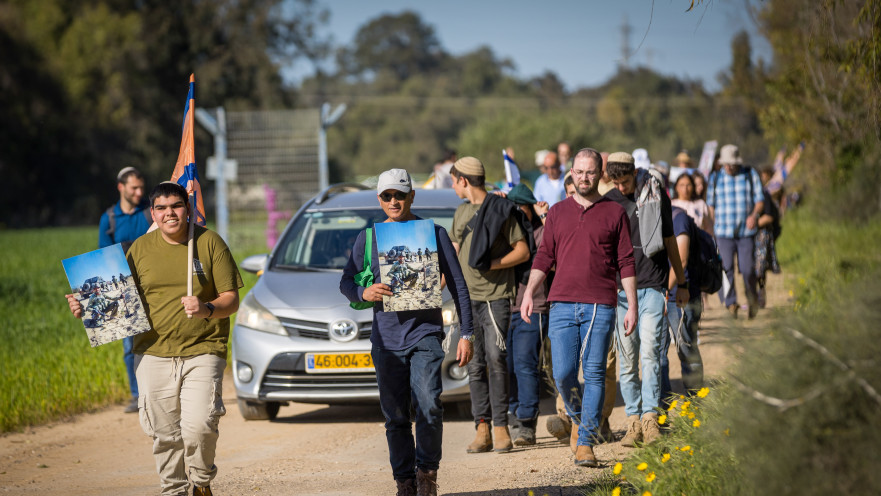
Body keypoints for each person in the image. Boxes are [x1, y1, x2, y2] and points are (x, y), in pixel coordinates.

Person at [66, 182, 243, 496]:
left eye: (175, 206)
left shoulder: (209, 242)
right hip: (151, 352)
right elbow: (116, 303)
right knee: (164, 434)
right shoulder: (139, 248)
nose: (169, 213)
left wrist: (206, 308)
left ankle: (201, 481)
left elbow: (231, 299)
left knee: (199, 426)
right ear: (153, 213)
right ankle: (173, 490)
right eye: (160, 208)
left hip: (203, 349)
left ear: (187, 208)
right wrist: (86, 306)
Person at [340, 168, 474, 496]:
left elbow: (458, 285)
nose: (394, 201)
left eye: (400, 195)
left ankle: (427, 474)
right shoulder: (368, 238)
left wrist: (467, 333)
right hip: (385, 341)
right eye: (387, 196)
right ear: (379, 199)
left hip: (425, 334)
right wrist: (363, 293)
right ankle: (405, 482)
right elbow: (346, 281)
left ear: (412, 196)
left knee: (429, 403)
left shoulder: (434, 234)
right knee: (395, 416)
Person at [521, 148, 638, 467]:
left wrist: (632, 306)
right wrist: (530, 291)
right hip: (561, 304)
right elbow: (544, 256)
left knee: (596, 372)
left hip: (601, 303)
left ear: (600, 174)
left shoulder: (614, 213)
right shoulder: (557, 212)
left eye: (590, 172)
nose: (584, 177)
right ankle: (577, 420)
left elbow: (626, 261)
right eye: (579, 171)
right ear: (571, 173)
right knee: (563, 374)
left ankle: (585, 442)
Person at [604, 151, 688, 448]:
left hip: (652, 285)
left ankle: (651, 418)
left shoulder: (656, 194)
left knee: (651, 354)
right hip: (620, 293)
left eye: (626, 181)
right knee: (627, 362)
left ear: (635, 173)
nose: (622, 187)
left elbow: (668, 239)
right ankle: (633, 421)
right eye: (616, 182)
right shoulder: (609, 202)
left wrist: (681, 280)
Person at [450, 156, 530, 454]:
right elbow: (455, 250)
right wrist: (436, 288)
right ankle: (481, 428)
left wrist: (492, 264)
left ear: (465, 181)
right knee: (474, 363)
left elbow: (522, 251)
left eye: (455, 180)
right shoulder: (460, 212)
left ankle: (500, 427)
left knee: (497, 361)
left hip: (496, 298)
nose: (454, 185)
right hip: (467, 299)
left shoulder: (500, 210)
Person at [495, 183, 549, 447]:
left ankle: (527, 424)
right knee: (509, 367)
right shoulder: (504, 235)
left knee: (526, 365)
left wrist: (543, 216)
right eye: (512, 207)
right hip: (505, 306)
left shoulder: (541, 233)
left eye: (521, 207)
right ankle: (516, 416)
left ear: (530, 207)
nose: (516, 212)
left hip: (534, 307)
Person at [98, 166, 152, 413]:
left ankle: (158, 393)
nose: (140, 192)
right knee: (130, 347)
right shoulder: (108, 219)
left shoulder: (150, 214)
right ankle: (137, 396)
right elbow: (103, 258)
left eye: (141, 187)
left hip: (152, 285)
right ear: (121, 187)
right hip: (122, 290)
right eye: (134, 188)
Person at [706, 144, 764, 319]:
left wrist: (754, 215)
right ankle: (731, 303)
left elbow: (760, 200)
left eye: (732, 163)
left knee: (747, 269)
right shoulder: (715, 178)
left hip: (745, 233)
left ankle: (752, 299)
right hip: (723, 232)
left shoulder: (749, 175)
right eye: (726, 163)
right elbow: (711, 205)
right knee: (726, 269)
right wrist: (712, 225)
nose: (729, 166)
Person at [660, 206, 706, 401]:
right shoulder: (644, 216)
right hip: (658, 295)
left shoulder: (678, 218)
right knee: (657, 354)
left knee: (686, 348)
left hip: (681, 294)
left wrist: (663, 292)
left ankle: (695, 404)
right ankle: (661, 409)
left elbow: (683, 258)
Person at [755, 165, 783, 309]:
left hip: (761, 234)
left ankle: (760, 290)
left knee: (760, 268)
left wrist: (754, 223)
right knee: (748, 268)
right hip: (748, 235)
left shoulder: (764, 194)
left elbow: (770, 217)